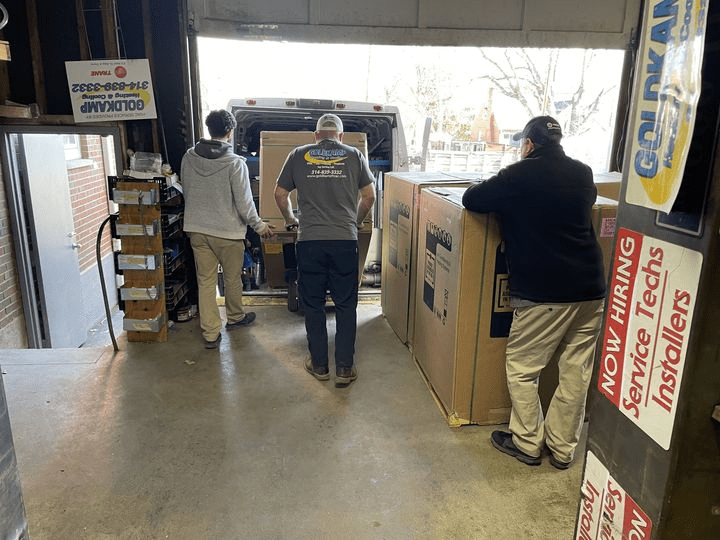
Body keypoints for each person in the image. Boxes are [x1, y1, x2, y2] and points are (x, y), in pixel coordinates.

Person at [461, 116, 606, 469]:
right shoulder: (583, 173)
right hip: (591, 292)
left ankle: (527, 443)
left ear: (528, 144)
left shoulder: (518, 175)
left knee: (523, 368)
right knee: (576, 372)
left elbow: (471, 199)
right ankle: (562, 450)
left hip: (546, 295)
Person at [273, 114, 376, 387]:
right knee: (345, 304)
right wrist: (354, 222)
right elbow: (369, 196)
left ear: (316, 135)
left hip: (310, 242)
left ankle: (319, 365)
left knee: (314, 304)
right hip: (344, 241)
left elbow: (280, 194)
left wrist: (290, 220)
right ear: (340, 136)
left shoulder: (298, 155)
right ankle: (344, 368)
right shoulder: (354, 155)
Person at [181, 109, 273, 349]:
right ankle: (235, 318)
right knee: (232, 279)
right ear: (230, 133)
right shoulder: (234, 163)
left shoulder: (189, 157)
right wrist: (260, 226)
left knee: (206, 282)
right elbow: (244, 203)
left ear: (209, 129)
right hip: (228, 233)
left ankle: (210, 334)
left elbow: (187, 190)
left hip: (198, 231)